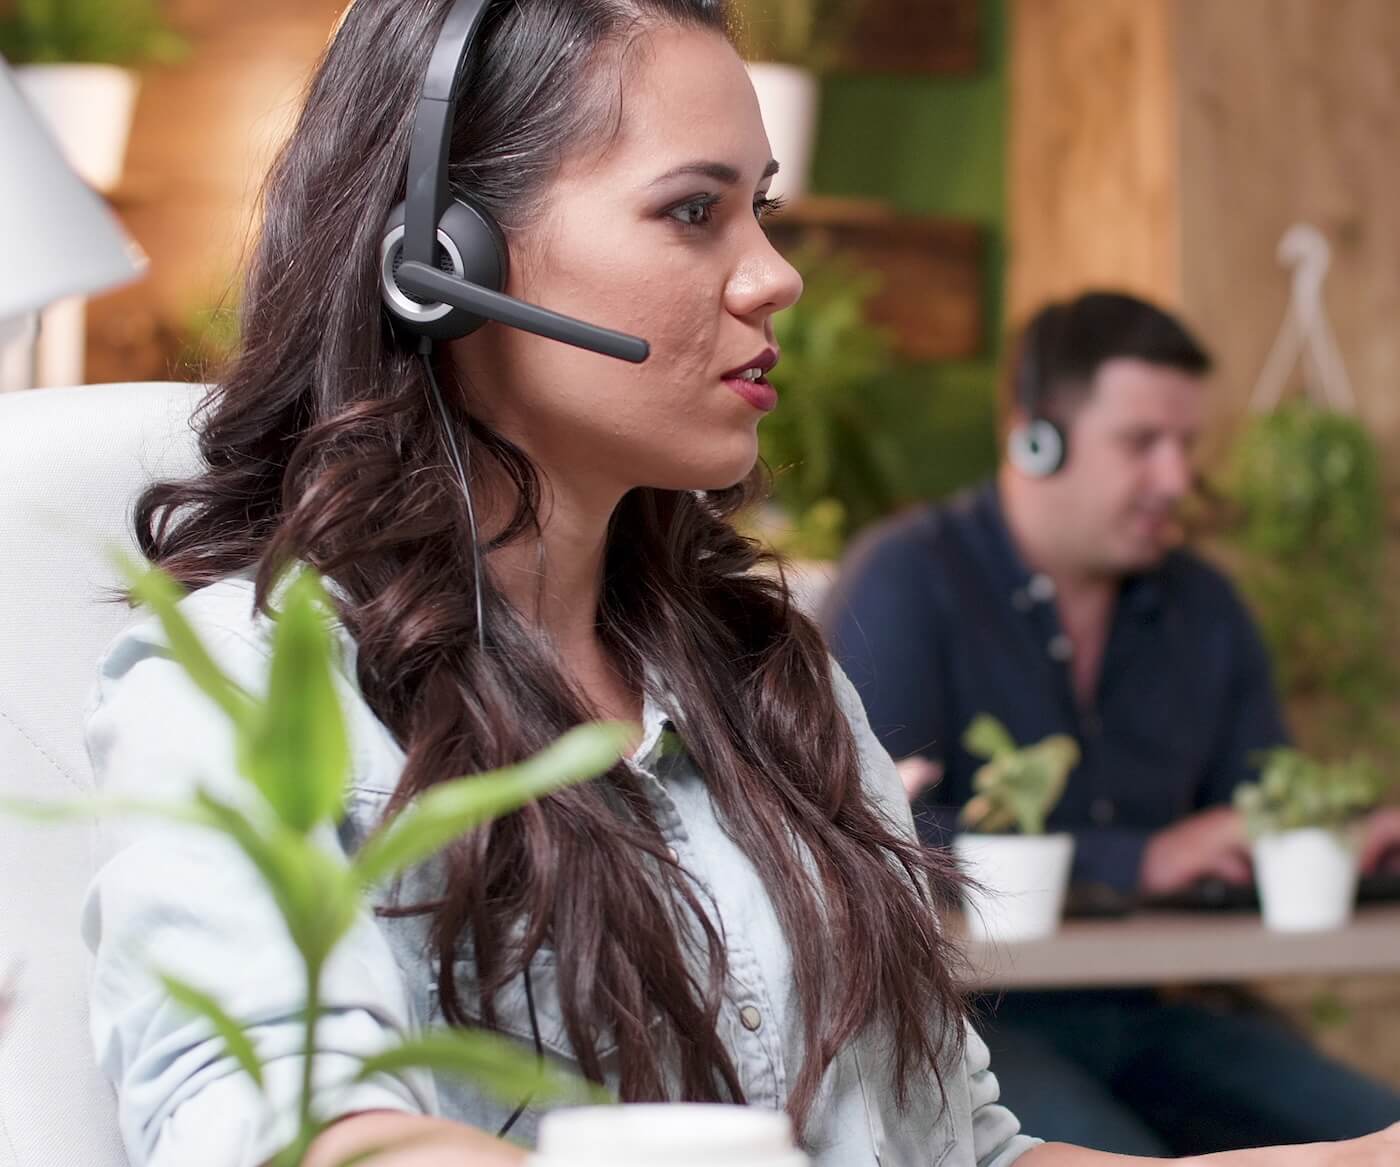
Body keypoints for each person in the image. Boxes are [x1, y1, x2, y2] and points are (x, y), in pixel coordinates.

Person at [79, 1, 1398, 1163]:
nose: (776, 272)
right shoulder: (260, 688)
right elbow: (283, 1123)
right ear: (451, 262)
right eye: (693, 209)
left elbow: (962, 1155)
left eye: (758, 207)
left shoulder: (778, 680)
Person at [822, 290, 1400, 1159]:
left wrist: (1329, 838)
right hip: (976, 1023)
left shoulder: (1204, 606)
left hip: (1161, 1012)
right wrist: (1139, 859)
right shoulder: (907, 580)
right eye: (1142, 444)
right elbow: (856, 832)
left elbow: (1253, 803)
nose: (1177, 478)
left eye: (1187, 445)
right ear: (1035, 440)